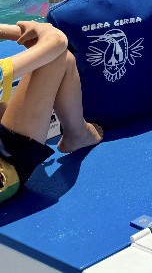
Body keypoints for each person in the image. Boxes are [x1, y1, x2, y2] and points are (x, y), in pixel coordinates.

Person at [0, 19, 103, 205]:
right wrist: (41, 28)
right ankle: (78, 134)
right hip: (5, 176)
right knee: (59, 57)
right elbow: (57, 42)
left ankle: (77, 133)